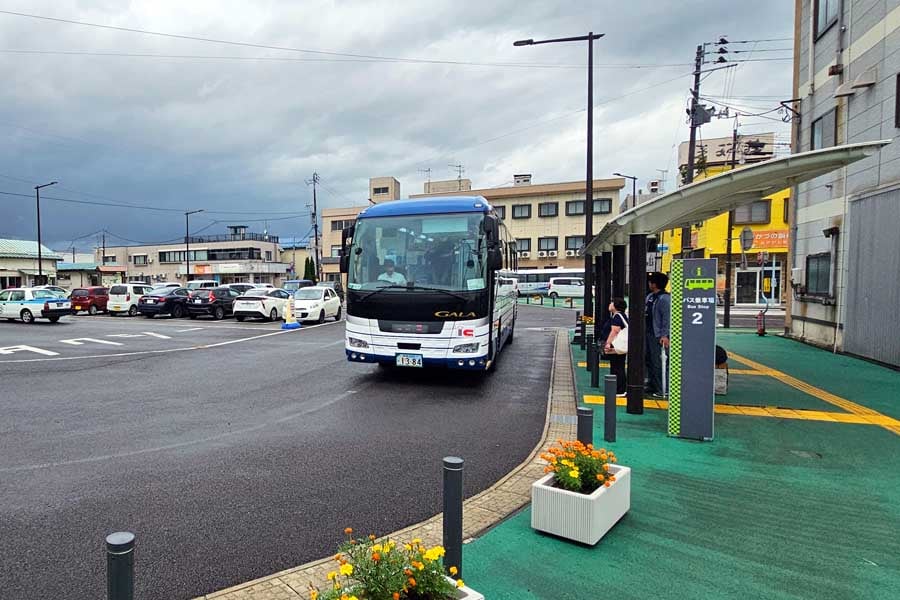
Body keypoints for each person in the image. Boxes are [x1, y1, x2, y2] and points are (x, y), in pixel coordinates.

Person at [645, 271, 671, 398]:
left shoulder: (665, 299)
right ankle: (652, 384)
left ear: (654, 284)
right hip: (648, 333)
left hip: (658, 335)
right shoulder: (650, 297)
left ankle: (663, 389)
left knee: (659, 362)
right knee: (649, 360)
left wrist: (665, 335)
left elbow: (667, 319)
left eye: (650, 282)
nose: (649, 283)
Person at [601, 297, 629, 397]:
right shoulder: (620, 315)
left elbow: (614, 331)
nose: (610, 304)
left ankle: (620, 390)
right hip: (618, 345)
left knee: (617, 366)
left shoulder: (617, 316)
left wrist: (608, 343)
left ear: (616, 306)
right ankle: (619, 389)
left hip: (617, 344)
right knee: (618, 365)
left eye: (612, 303)